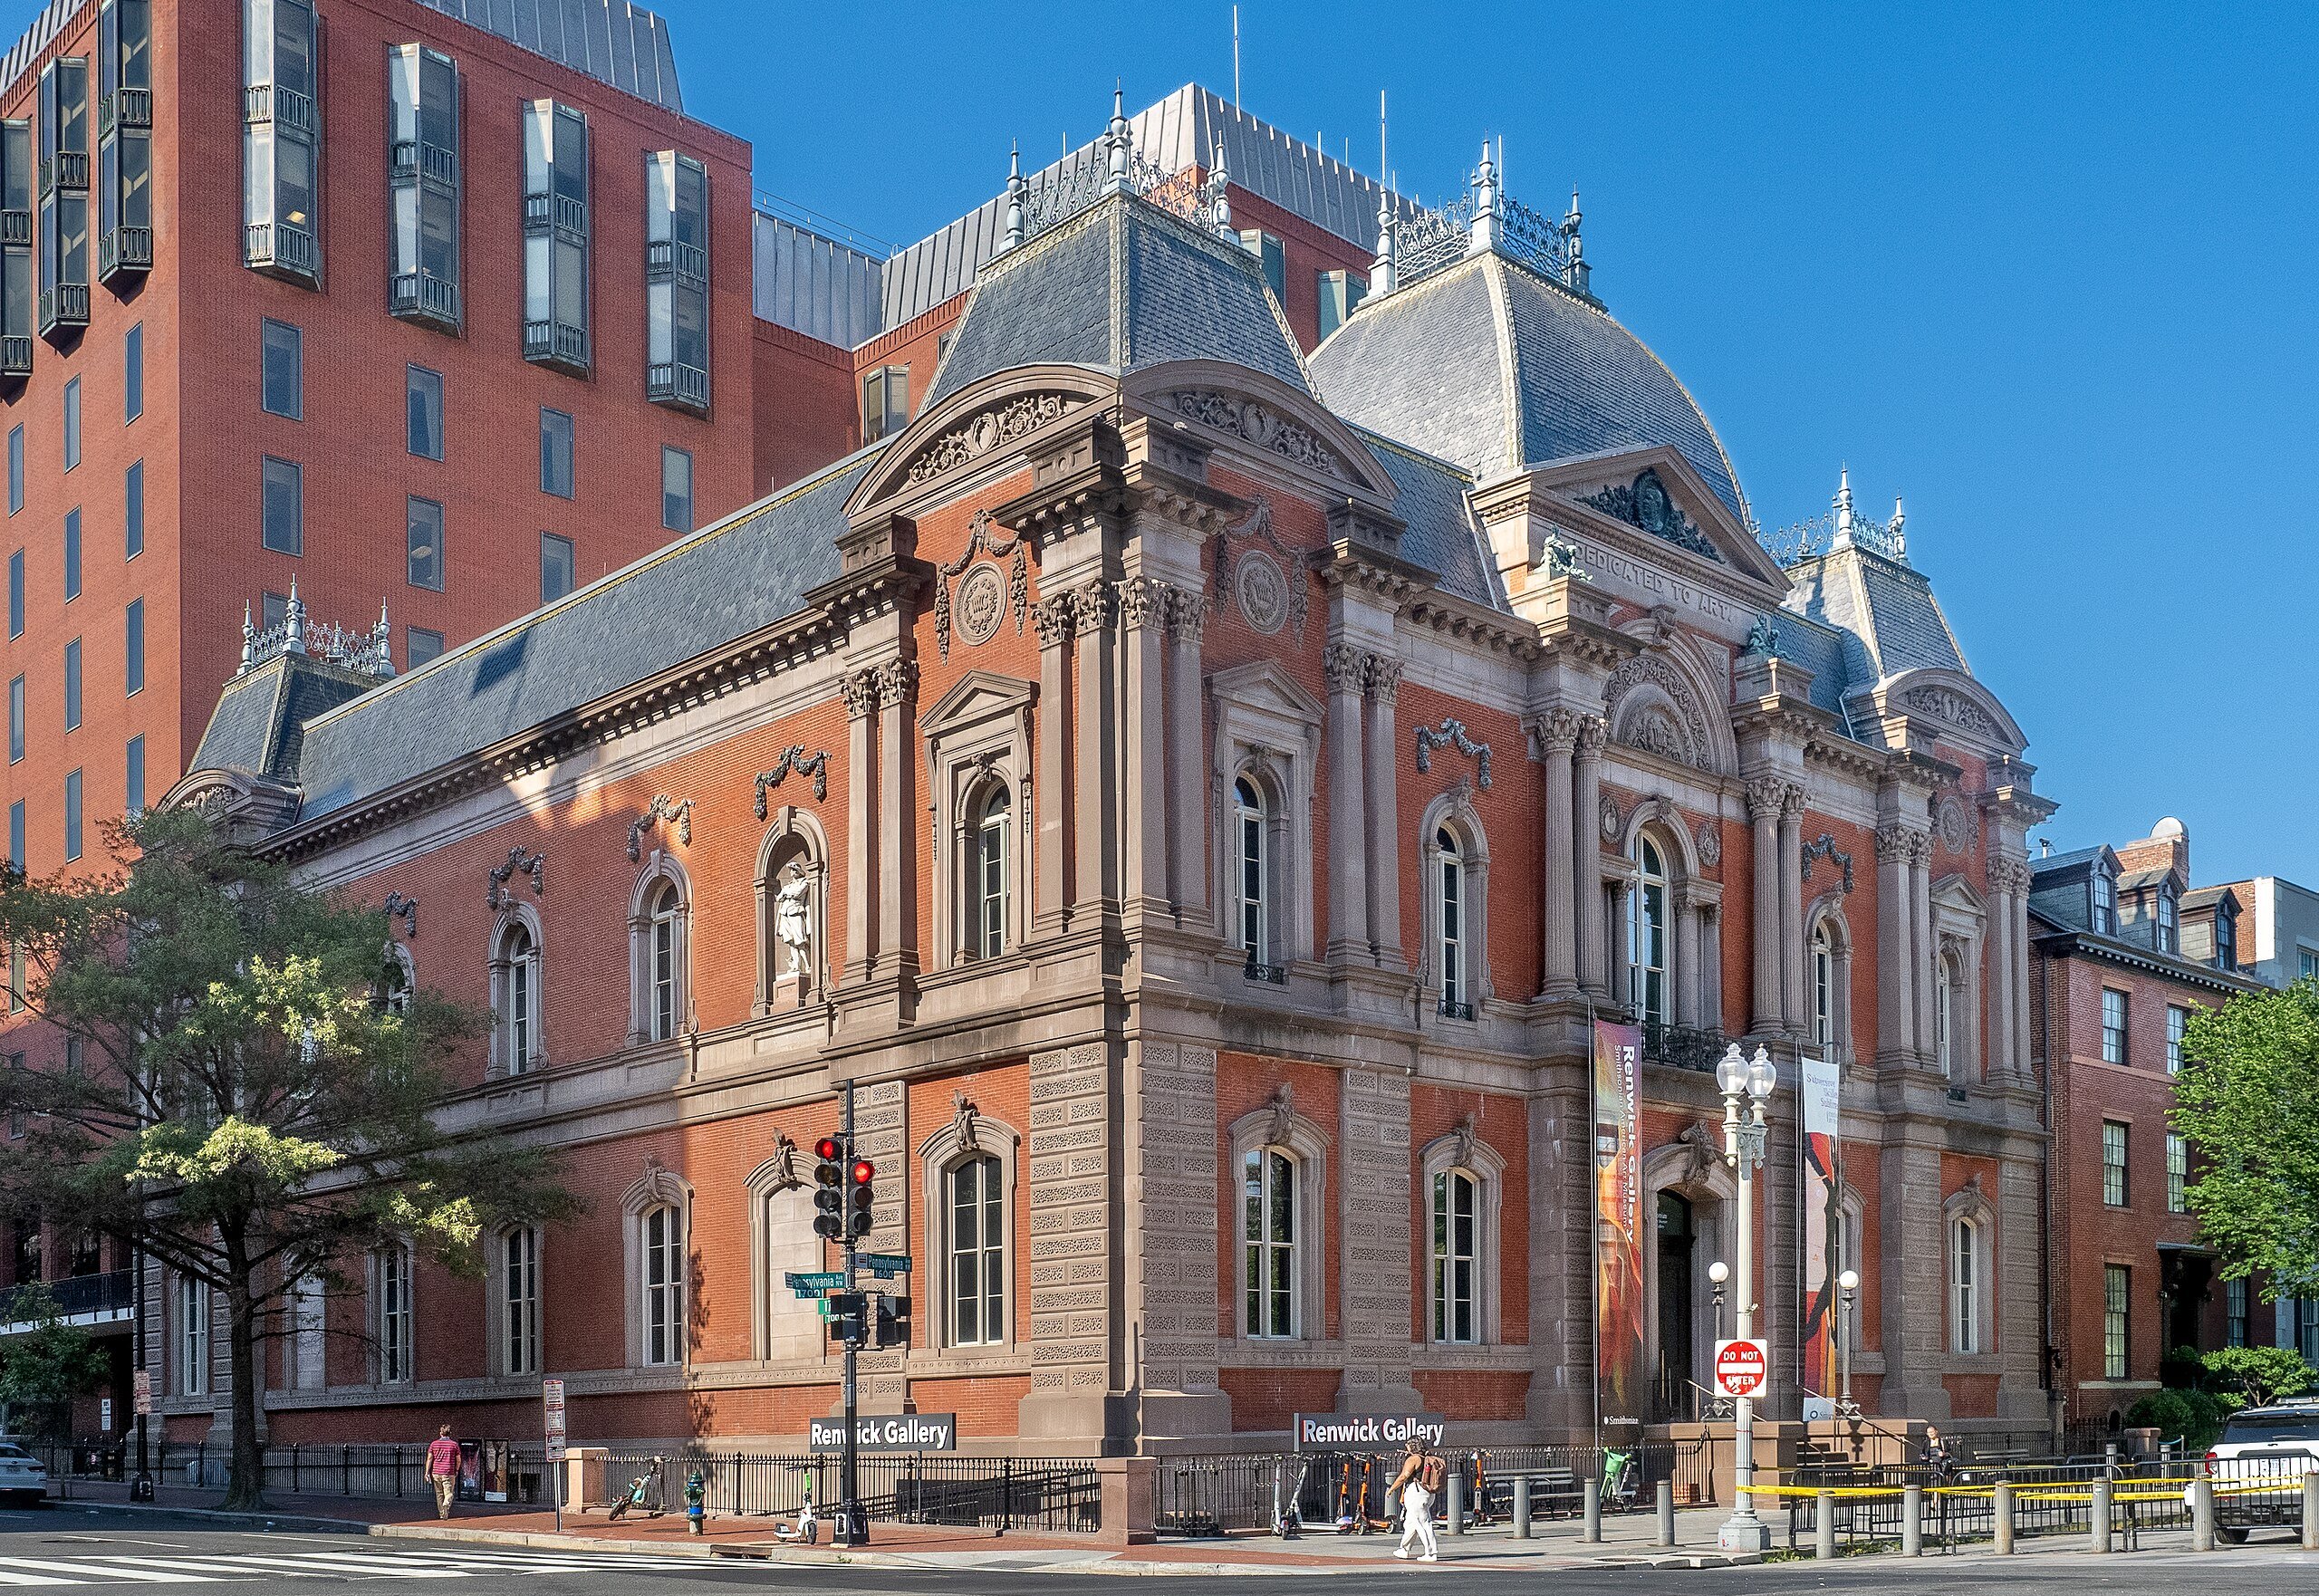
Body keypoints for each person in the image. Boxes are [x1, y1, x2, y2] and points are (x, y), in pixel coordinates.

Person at [1388, 1439, 1441, 1562]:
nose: (1406, 1449)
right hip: (1427, 1492)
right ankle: (1404, 1549)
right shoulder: (1426, 1457)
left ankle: (1431, 1553)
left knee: (1424, 1523)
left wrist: (1391, 1489)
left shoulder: (1414, 1459)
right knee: (1410, 1523)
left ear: (1412, 1447)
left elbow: (1404, 1476)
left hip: (1416, 1493)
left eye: (1407, 1447)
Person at [424, 1425, 461, 1520]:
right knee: (449, 1493)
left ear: (440, 1433)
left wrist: (427, 1472)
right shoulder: (454, 1445)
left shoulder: (434, 1444)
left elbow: (429, 1458)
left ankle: (442, 1513)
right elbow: (458, 1460)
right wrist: (456, 1469)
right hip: (449, 1472)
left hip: (436, 1472)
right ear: (450, 1433)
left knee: (439, 1494)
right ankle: (446, 1504)